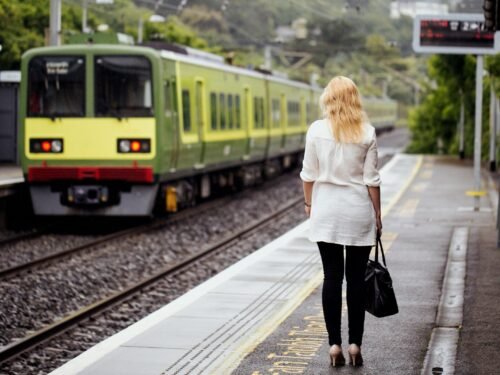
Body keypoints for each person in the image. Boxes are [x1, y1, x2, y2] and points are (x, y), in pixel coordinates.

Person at [300, 76, 382, 367]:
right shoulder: (367, 132)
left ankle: (334, 345)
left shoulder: (316, 130)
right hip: (357, 212)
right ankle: (355, 345)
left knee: (332, 277)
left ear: (328, 100)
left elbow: (308, 175)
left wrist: (309, 204)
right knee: (356, 280)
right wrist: (377, 214)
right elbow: (372, 180)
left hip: (326, 213)